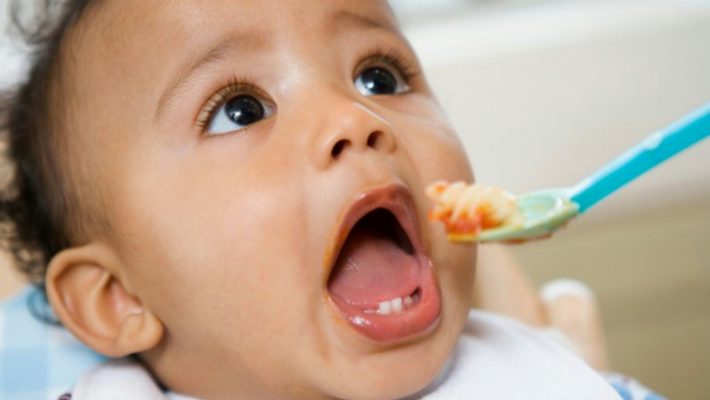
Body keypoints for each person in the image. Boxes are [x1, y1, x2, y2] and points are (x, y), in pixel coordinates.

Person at [0, 1, 651, 398]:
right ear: (120, 298)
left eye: (379, 77)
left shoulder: (549, 382)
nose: (353, 117)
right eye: (240, 111)